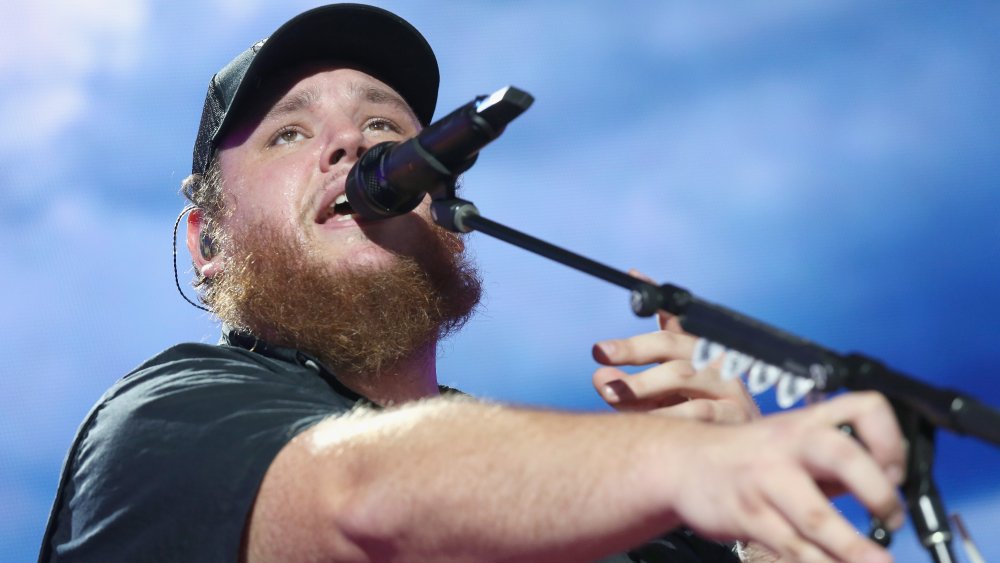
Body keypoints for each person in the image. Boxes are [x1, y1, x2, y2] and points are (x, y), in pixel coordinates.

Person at [38, 5, 906, 562]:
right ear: (207, 242)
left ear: (441, 197)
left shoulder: (621, 518)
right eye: (289, 135)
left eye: (384, 123)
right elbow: (361, 499)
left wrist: (760, 539)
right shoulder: (163, 427)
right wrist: (681, 463)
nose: (355, 146)